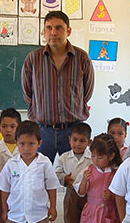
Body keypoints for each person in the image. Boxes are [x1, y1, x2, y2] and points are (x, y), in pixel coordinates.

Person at [21, 10, 95, 163]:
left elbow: (86, 92)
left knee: (75, 178)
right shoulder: (33, 59)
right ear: (43, 31)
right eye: (48, 28)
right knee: (38, 175)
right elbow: (28, 93)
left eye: (59, 27)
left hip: (73, 132)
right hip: (43, 130)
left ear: (68, 31)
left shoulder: (81, 58)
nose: (53, 32)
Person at [55, 122, 92, 223]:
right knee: (71, 222)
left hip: (89, 195)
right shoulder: (64, 157)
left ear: (89, 142)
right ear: (69, 139)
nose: (77, 144)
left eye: (82, 141)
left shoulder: (91, 157)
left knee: (88, 222)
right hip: (71, 195)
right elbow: (57, 172)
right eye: (74, 140)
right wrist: (65, 178)